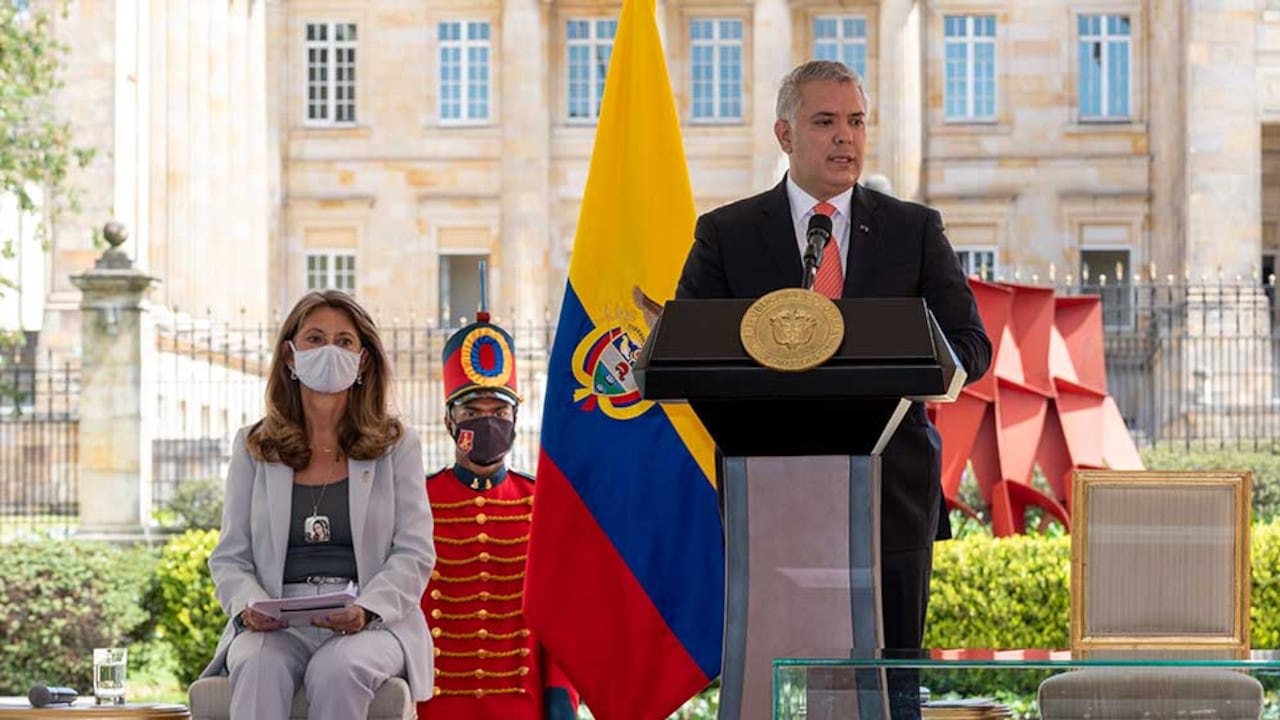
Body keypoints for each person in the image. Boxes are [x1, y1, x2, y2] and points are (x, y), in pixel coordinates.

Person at [676, 57, 992, 692]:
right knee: (780, 684)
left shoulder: (914, 229)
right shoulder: (726, 234)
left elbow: (971, 346)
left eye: (856, 121)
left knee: (888, 688)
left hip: (889, 499)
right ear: (784, 135)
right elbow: (688, 351)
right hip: (769, 496)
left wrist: (923, 361)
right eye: (825, 122)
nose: (845, 137)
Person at [200, 290, 436, 720]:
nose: (330, 350)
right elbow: (231, 556)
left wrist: (366, 610)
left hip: (370, 619)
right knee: (256, 665)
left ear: (363, 360)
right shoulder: (254, 446)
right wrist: (249, 605)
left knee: (338, 668)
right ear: (290, 356)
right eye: (314, 338)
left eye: (344, 341)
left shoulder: (397, 446)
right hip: (277, 619)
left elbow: (414, 553)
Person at [417, 311, 577, 720]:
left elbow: (561, 617)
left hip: (519, 708)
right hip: (433, 706)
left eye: (499, 412)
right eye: (471, 412)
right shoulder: (418, 500)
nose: (487, 421)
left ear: (515, 421)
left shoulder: (540, 500)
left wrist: (561, 702)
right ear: (448, 420)